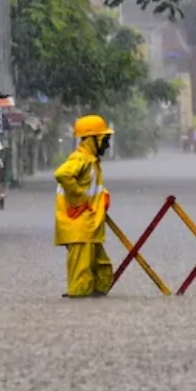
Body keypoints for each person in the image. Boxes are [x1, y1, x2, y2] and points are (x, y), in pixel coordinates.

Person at [54, 115, 114, 298]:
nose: (107, 145)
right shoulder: (80, 159)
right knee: (81, 274)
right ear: (92, 139)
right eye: (104, 140)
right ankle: (80, 298)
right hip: (79, 224)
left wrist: (103, 198)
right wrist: (79, 199)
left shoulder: (91, 161)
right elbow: (62, 174)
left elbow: (93, 188)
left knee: (102, 266)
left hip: (89, 225)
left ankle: (96, 292)